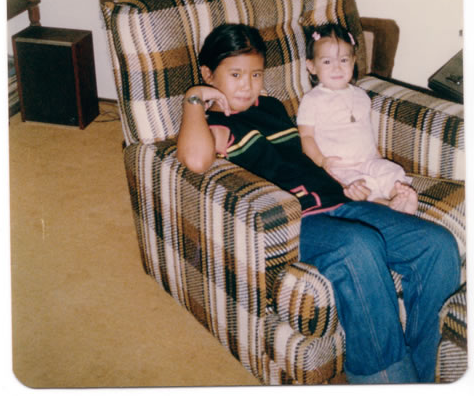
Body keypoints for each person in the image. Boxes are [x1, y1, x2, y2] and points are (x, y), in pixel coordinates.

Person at [176, 22, 461, 384]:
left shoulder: (274, 107)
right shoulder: (216, 122)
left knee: (436, 245)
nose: (247, 85)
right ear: (208, 74)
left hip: (340, 200)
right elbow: (196, 160)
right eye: (235, 74)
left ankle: (419, 379)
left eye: (256, 74)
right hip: (299, 221)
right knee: (358, 245)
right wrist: (195, 98)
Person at [297, 23, 418, 214]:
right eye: (327, 62)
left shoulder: (361, 96)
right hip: (339, 167)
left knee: (391, 171)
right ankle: (384, 204)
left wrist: (378, 156)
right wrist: (321, 161)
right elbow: (306, 137)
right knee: (361, 184)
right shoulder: (312, 100)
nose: (337, 68)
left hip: (368, 159)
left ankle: (399, 195)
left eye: (344, 60)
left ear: (353, 61)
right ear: (311, 66)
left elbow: (365, 129)